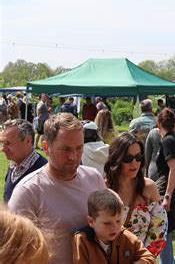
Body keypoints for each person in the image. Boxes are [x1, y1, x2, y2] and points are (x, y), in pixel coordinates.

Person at [8, 112, 106, 263]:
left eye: (79, 148)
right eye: (65, 149)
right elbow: (16, 253)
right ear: (46, 147)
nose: (73, 156)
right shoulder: (28, 192)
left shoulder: (94, 178)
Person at [104, 132, 168, 257]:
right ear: (116, 159)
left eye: (138, 157)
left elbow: (160, 228)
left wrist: (143, 258)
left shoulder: (149, 187)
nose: (135, 163)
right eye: (128, 159)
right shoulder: (103, 189)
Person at [73, 189, 155, 263]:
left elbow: (149, 258)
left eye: (118, 221)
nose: (114, 228)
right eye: (107, 223)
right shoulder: (83, 240)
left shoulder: (126, 237)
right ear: (91, 221)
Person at [154, 108, 175, 264]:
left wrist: (167, 196)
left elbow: (174, 169)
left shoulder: (167, 140)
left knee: (163, 231)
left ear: (159, 124)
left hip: (170, 190)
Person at [1, 119, 48, 203]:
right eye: (2, 143)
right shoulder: (13, 165)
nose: (3, 149)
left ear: (28, 141)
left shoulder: (44, 172)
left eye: (9, 143)